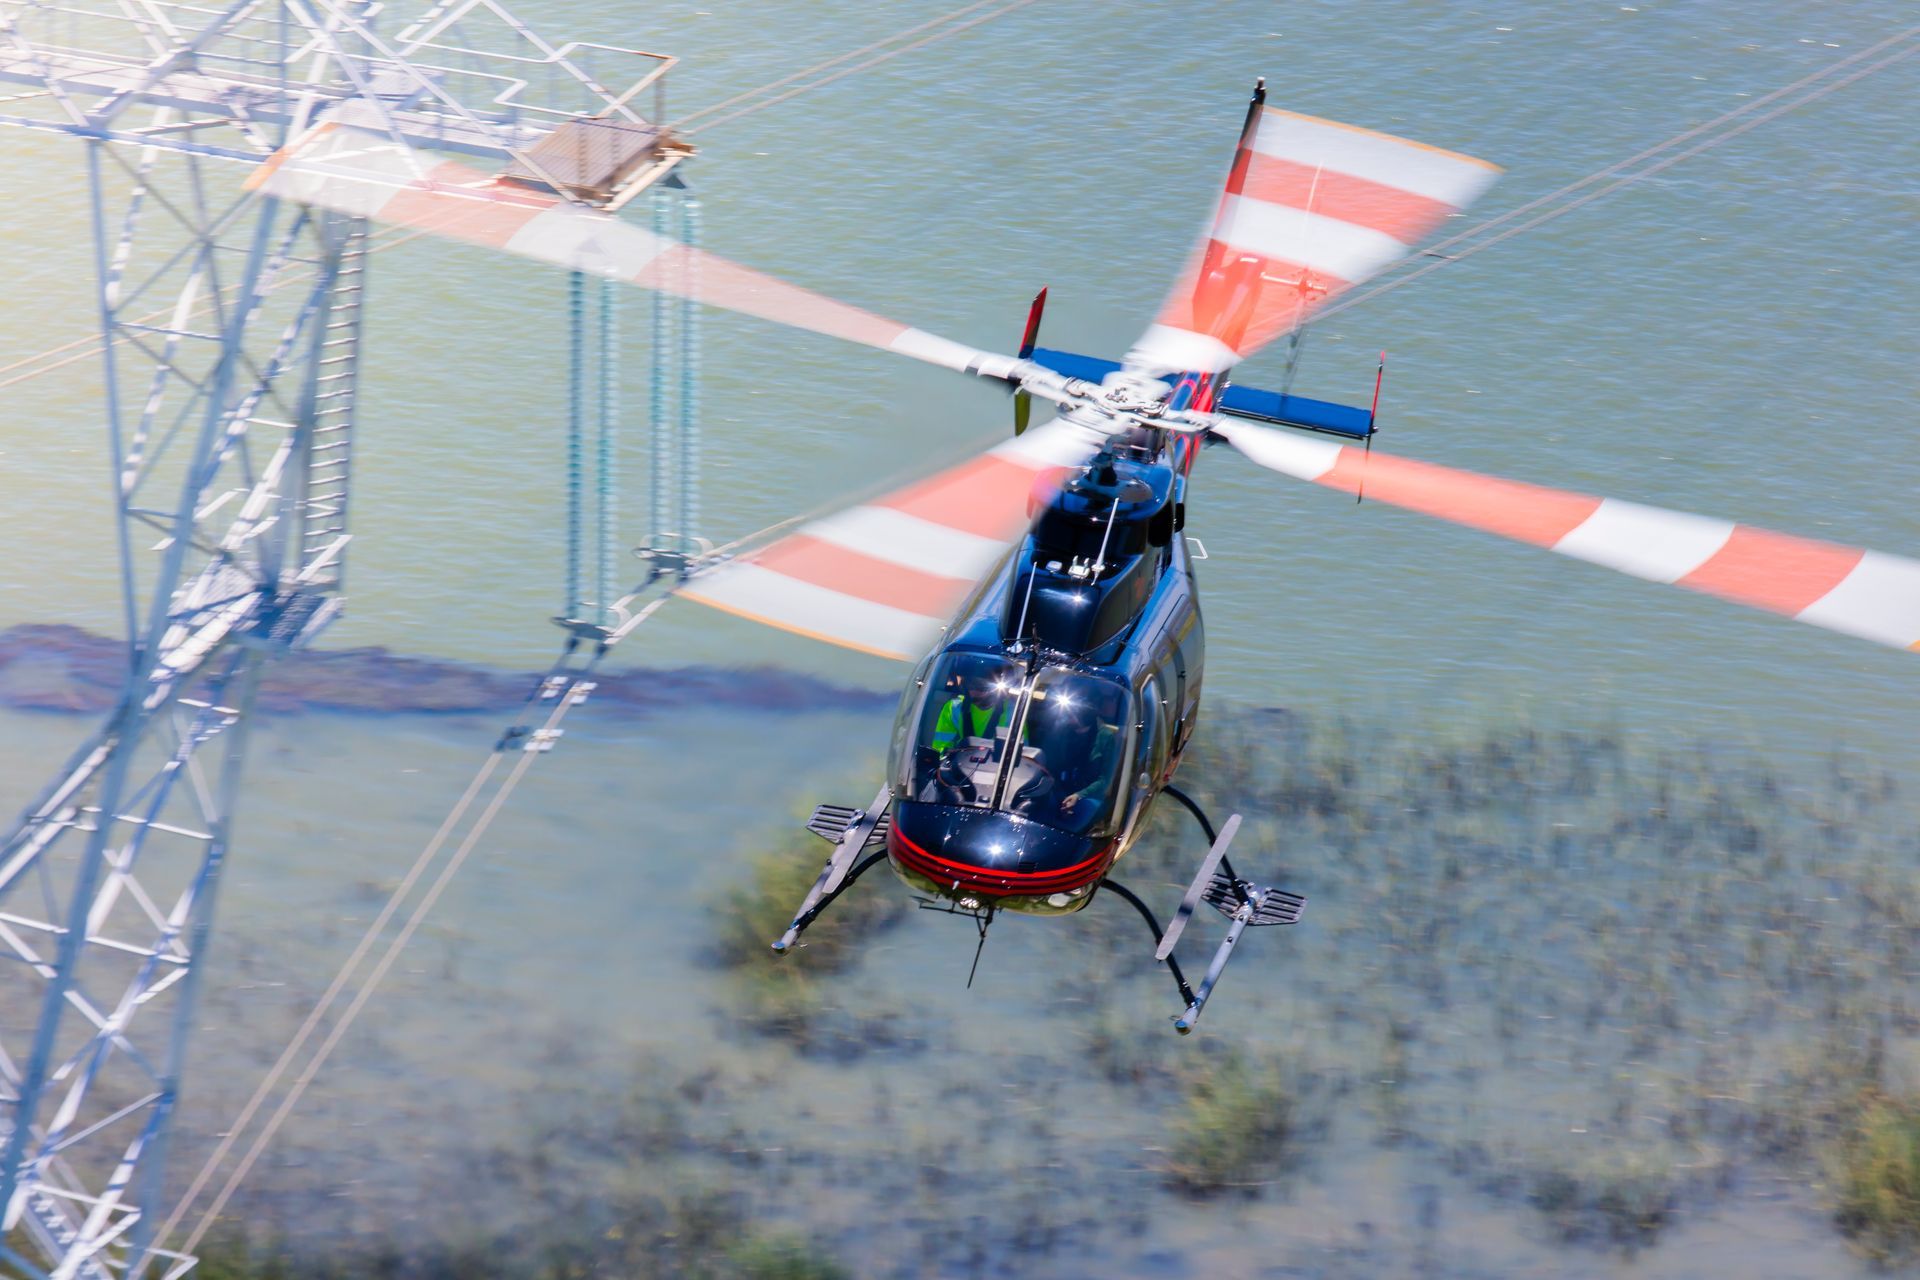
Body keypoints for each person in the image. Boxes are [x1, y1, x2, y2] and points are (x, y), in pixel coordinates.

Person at [928, 670, 1017, 752]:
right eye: (971, 685)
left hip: (997, 767)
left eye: (982, 687)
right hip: (960, 764)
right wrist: (948, 754)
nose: (975, 692)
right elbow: (940, 749)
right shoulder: (954, 707)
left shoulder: (1014, 712)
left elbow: (1022, 755)